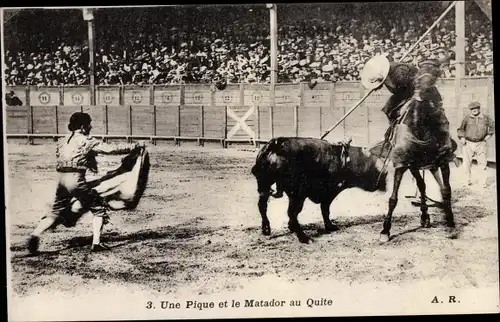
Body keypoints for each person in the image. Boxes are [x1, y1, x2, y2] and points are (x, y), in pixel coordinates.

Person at [27, 112, 142, 255]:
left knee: (56, 211)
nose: (90, 127)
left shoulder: (62, 141)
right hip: (77, 179)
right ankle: (96, 243)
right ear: (82, 127)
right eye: (88, 124)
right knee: (98, 208)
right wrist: (133, 147)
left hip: (62, 180)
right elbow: (109, 149)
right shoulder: (86, 141)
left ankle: (35, 234)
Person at [360, 54, 452, 158]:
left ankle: (444, 143)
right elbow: (389, 87)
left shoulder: (400, 72)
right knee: (388, 108)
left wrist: (410, 101)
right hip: (403, 94)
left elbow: (416, 86)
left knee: (433, 113)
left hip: (421, 91)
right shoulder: (383, 73)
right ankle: (392, 135)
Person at [457, 101, 495, 187]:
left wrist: (488, 136)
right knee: (466, 163)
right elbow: (460, 129)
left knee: (482, 163)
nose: (474, 110)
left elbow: (493, 126)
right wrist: (462, 137)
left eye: (476, 108)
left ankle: (482, 182)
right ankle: (466, 181)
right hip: (468, 143)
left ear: (479, 109)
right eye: (472, 109)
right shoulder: (466, 118)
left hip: (481, 143)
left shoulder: (485, 118)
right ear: (470, 110)